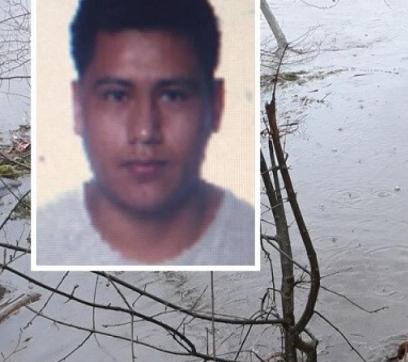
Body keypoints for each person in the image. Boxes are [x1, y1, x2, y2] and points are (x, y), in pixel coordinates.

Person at [34, 0, 254, 267]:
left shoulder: (249, 239)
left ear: (216, 105)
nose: (145, 131)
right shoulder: (44, 242)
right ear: (78, 107)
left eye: (173, 96)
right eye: (116, 95)